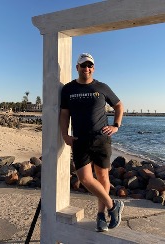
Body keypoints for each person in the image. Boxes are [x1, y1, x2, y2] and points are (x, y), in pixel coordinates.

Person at [60, 53, 124, 232]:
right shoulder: (68, 89)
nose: (86, 68)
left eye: (89, 65)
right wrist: (65, 134)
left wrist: (116, 126)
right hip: (79, 140)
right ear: (77, 68)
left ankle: (101, 215)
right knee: (85, 179)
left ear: (93, 68)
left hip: (101, 139)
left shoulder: (102, 87)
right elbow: (64, 114)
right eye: (83, 65)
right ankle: (113, 206)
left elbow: (119, 105)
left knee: (103, 176)